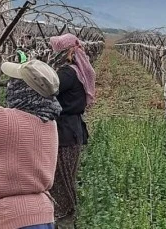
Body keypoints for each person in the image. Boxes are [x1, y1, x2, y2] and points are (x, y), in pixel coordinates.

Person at [0, 60, 62, 229]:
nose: (9, 85)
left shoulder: (3, 123)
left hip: (8, 218)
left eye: (14, 82)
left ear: (22, 90)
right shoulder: (49, 122)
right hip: (41, 216)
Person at [48, 33, 96, 228]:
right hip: (73, 129)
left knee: (61, 176)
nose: (54, 55)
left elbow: (48, 89)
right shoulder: (76, 70)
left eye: (57, 51)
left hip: (65, 132)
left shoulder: (67, 74)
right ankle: (67, 215)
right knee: (67, 175)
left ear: (66, 52)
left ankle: (65, 217)